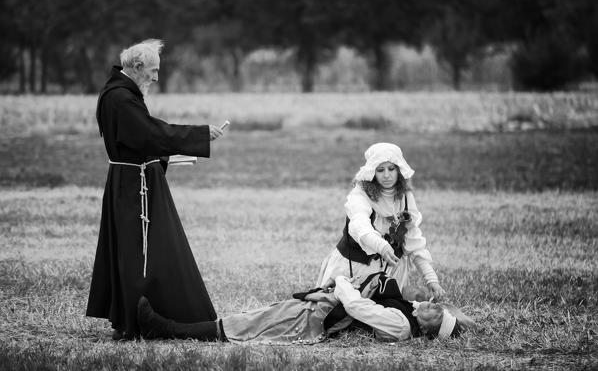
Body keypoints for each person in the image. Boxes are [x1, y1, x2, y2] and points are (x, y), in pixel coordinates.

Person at [86, 39, 224, 340]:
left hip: (130, 179)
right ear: (136, 67)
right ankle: (137, 319)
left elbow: (138, 139)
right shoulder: (121, 98)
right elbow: (149, 133)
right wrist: (197, 135)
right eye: (153, 70)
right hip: (135, 185)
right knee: (140, 252)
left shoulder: (119, 94)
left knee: (135, 250)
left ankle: (134, 317)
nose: (156, 77)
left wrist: (164, 156)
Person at [136, 272, 473, 344]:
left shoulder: (400, 325)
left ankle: (162, 328)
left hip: (313, 322)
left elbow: (356, 307)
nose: (432, 305)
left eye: (437, 313)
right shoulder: (410, 309)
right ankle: (167, 325)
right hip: (316, 311)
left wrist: (340, 279)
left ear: (429, 329)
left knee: (243, 327)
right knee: (248, 319)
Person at [317, 142, 446, 301]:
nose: (386, 175)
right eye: (380, 170)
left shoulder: (405, 197)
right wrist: (382, 245)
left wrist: (431, 279)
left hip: (387, 276)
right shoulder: (360, 195)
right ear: (372, 172)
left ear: (399, 170)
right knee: (339, 312)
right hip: (353, 269)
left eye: (391, 169)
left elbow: (413, 240)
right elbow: (359, 225)